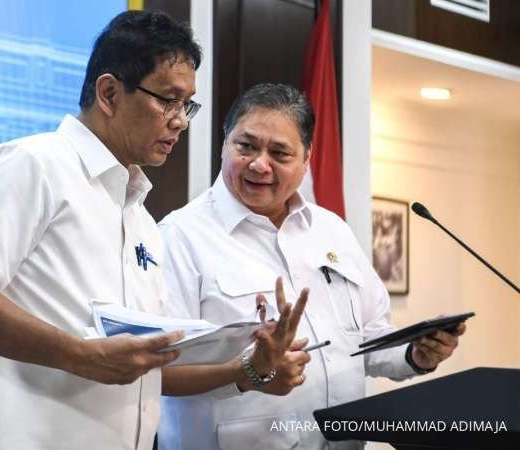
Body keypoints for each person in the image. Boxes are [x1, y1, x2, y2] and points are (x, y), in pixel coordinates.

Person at [0, 11, 201, 450]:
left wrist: (247, 369)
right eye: (169, 100)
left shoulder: (141, 219)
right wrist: (79, 356)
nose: (181, 120)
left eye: (187, 105)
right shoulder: (32, 164)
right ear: (109, 93)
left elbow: (140, 365)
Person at [157, 83, 466, 450]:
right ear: (225, 144)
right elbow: (159, 371)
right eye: (246, 146)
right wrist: (251, 371)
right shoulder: (180, 236)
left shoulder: (332, 230)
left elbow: (371, 338)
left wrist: (415, 354)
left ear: (306, 160)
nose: (259, 164)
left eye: (279, 153)